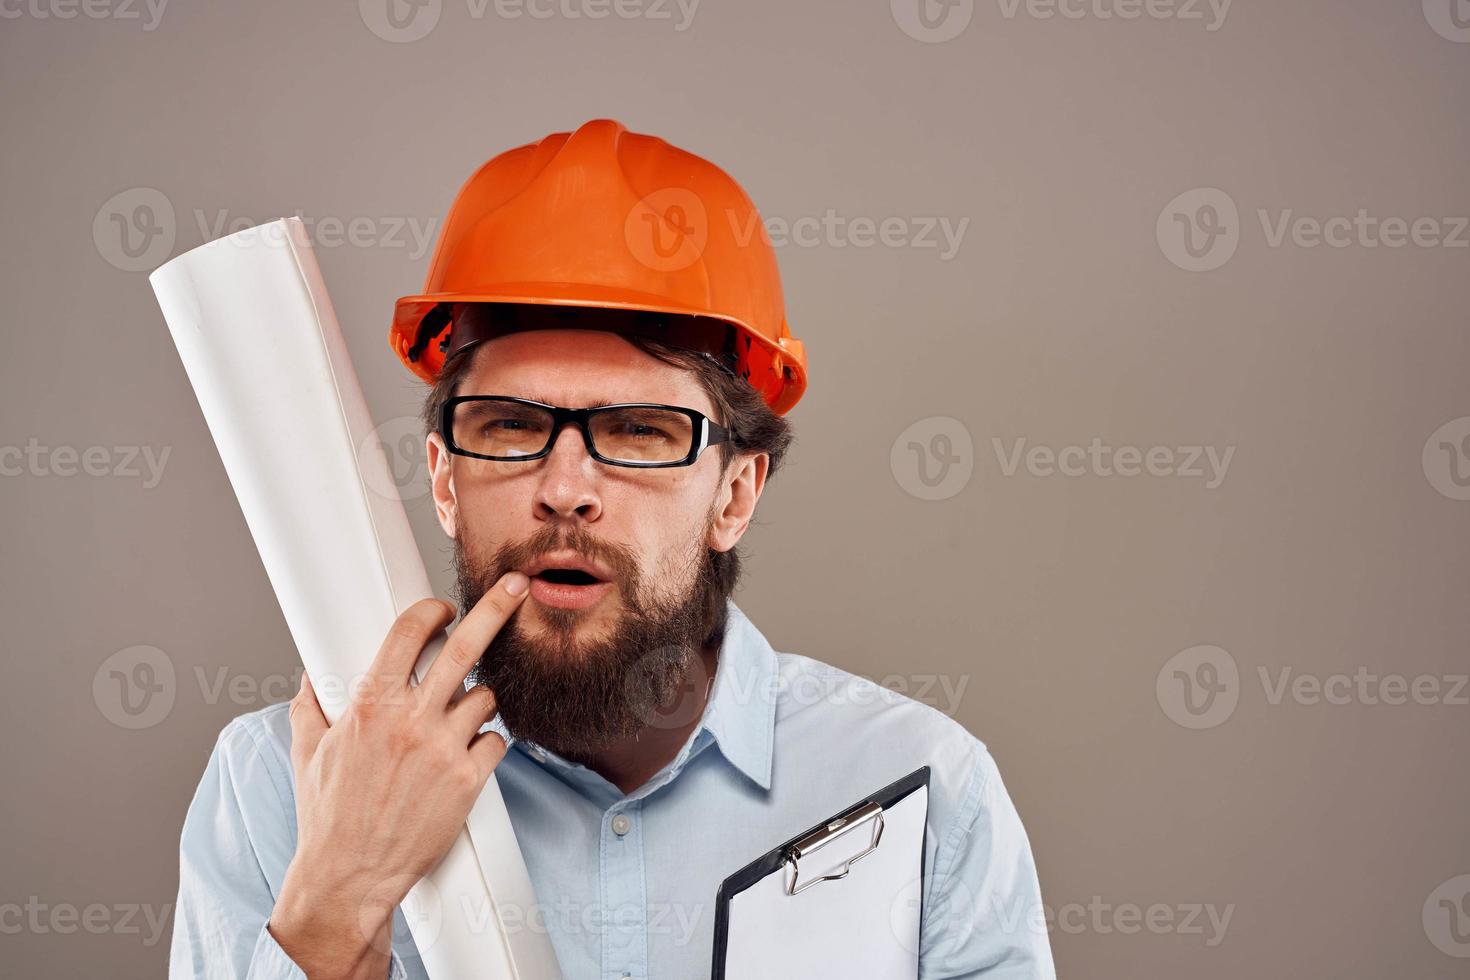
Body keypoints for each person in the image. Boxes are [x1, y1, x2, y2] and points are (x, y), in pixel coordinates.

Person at [169, 119, 1055, 979]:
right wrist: (339, 899)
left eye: (637, 432)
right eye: (510, 426)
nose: (565, 488)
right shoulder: (283, 790)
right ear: (444, 480)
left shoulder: (920, 787)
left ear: (735, 493)